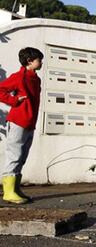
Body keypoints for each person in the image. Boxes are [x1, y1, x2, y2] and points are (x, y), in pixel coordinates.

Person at [0, 47, 43, 204]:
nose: (41, 62)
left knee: (22, 155)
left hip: (30, 122)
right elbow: (1, 90)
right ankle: (8, 192)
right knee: (15, 154)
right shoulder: (19, 77)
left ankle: (16, 189)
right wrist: (14, 100)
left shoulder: (36, 79)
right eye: (39, 59)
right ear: (29, 61)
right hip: (18, 121)